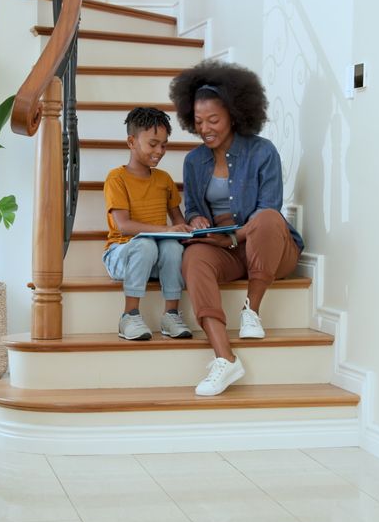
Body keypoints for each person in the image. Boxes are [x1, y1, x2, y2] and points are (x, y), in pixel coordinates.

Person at [169, 60, 305, 396]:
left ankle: (252, 311)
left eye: (213, 120)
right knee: (194, 258)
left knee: (268, 220)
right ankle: (225, 358)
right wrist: (198, 220)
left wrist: (229, 235)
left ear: (234, 113)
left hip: (270, 248)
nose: (205, 128)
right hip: (223, 248)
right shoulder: (193, 161)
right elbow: (196, 207)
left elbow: (268, 211)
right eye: (199, 121)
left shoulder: (263, 152)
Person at [102, 107, 195, 340]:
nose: (159, 151)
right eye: (153, 144)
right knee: (145, 244)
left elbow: (177, 221)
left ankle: (170, 314)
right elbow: (123, 225)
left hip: (154, 257)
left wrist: (189, 230)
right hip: (121, 254)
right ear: (131, 142)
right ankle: (129, 316)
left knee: (173, 246)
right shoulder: (116, 178)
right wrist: (167, 230)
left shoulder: (164, 180)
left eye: (164, 145)